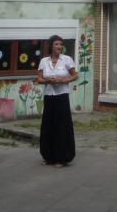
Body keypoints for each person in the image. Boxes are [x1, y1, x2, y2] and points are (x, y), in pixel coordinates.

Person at [36, 34, 78, 167]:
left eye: (61, 44)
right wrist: (47, 80)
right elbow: (39, 79)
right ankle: (48, 156)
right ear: (51, 46)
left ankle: (61, 158)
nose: (59, 46)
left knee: (61, 126)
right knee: (48, 125)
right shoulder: (44, 61)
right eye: (56, 44)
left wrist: (62, 80)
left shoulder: (67, 60)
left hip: (62, 96)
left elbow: (75, 75)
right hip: (49, 96)